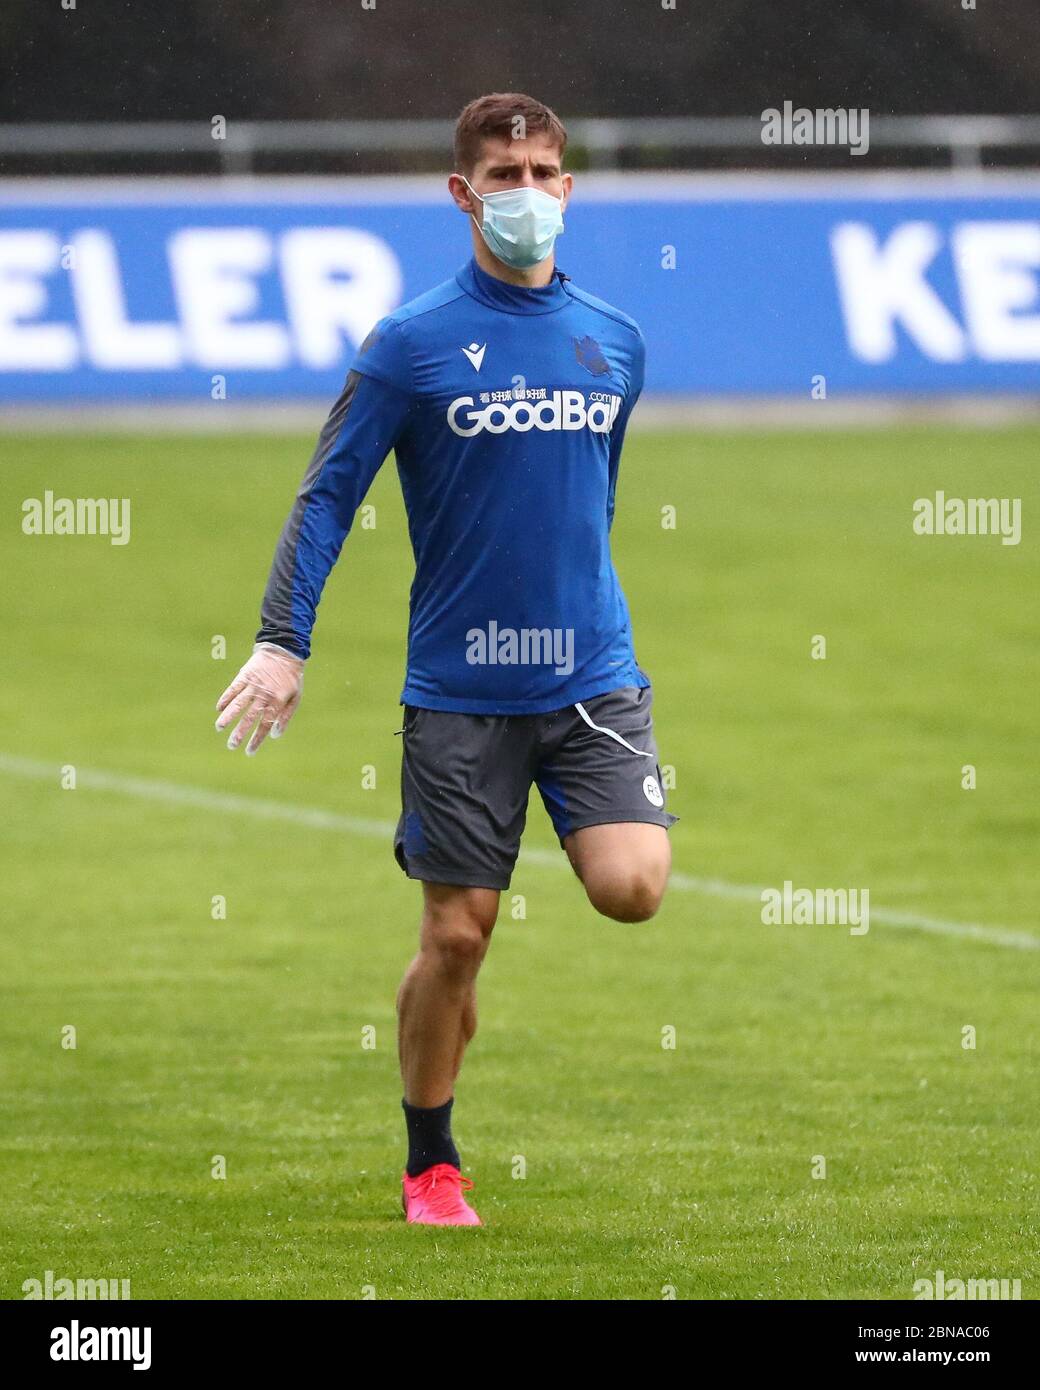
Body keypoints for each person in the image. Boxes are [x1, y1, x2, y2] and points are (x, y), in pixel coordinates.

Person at [215, 92, 677, 1226]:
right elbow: (327, 498)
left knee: (631, 887)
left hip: (591, 677)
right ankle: (432, 1160)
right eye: (502, 174)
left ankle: (446, 1005)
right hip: (461, 692)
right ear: (462, 193)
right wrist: (283, 643)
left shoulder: (614, 340)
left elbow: (592, 502)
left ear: (566, 187)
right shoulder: (409, 344)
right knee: (456, 934)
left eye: (542, 171)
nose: (525, 191)